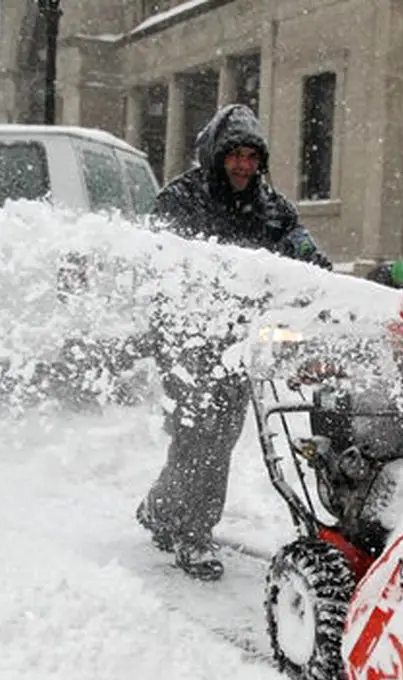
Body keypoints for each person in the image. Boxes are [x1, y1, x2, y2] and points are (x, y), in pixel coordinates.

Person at [137, 103, 333, 581]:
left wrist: (331, 287)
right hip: (186, 336)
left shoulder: (271, 209)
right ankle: (193, 532)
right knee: (202, 433)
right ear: (215, 155)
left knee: (213, 435)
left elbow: (304, 253)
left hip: (238, 341)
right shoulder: (180, 199)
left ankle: (160, 509)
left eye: (251, 156)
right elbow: (157, 267)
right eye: (234, 155)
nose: (243, 165)